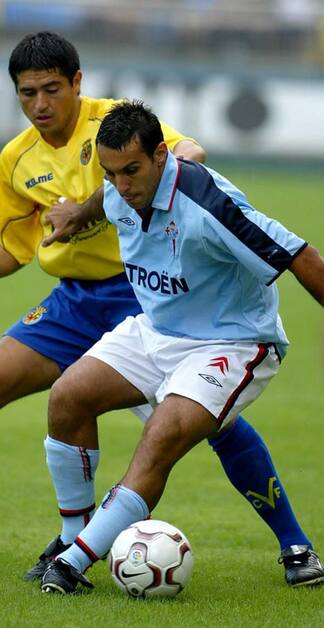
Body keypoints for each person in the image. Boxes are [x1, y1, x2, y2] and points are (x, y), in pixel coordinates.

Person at [0, 31, 205, 564]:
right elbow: (13, 248)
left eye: (51, 89)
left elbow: (188, 151)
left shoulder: (114, 123)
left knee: (210, 415)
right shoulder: (16, 160)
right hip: (74, 302)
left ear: (77, 82)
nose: (39, 104)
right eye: (26, 93)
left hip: (144, 295)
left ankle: (294, 543)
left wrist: (92, 203)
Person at [40, 100, 324, 595]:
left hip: (233, 340)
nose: (122, 186)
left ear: (160, 156)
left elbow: (300, 255)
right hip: (158, 330)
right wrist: (75, 215)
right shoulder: (116, 190)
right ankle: (71, 539)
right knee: (68, 396)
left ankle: (70, 565)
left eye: (131, 171)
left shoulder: (207, 201)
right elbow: (102, 200)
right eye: (111, 174)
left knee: (164, 435)